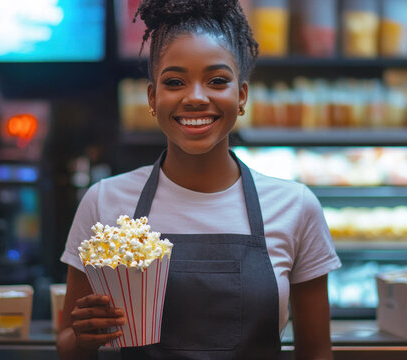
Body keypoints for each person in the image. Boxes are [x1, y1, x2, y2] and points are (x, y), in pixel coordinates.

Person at [56, 1, 341, 359]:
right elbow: (66, 346)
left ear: (241, 96)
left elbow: (316, 352)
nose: (195, 97)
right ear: (152, 97)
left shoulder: (295, 207)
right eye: (174, 82)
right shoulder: (104, 202)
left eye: (217, 80)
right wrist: (83, 337)